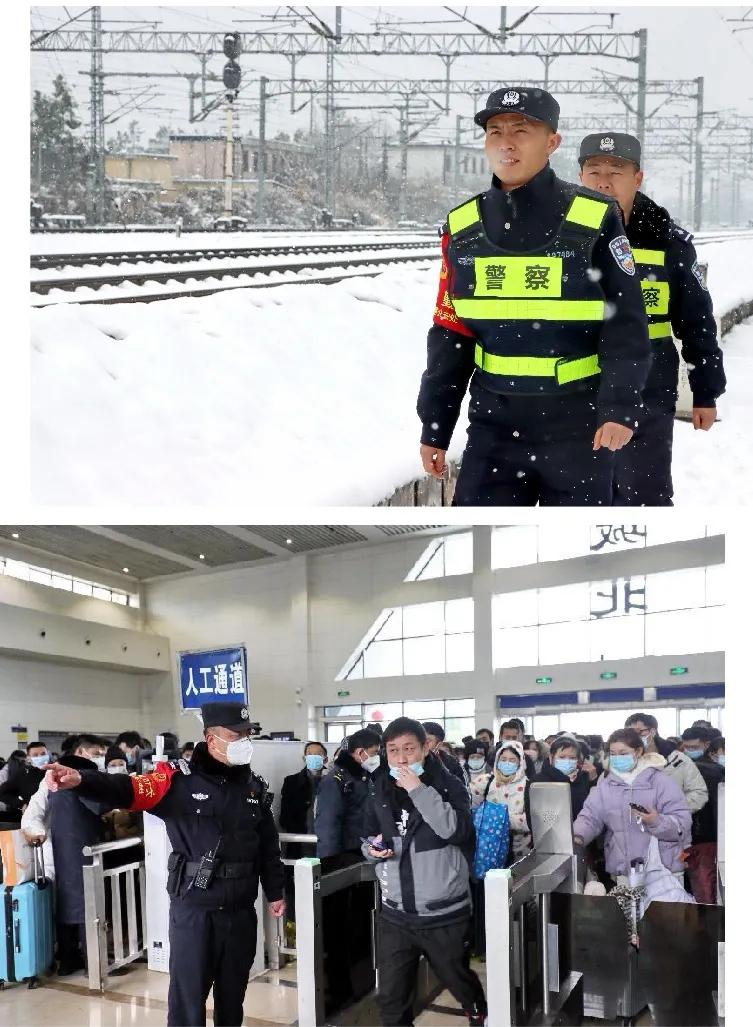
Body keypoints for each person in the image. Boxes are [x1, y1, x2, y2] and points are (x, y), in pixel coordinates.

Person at [418, 86, 650, 506]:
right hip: (493, 426)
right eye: (495, 131)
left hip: (581, 427)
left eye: (521, 130)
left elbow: (626, 323)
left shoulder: (595, 215)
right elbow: (451, 333)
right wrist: (435, 424)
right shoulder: (463, 227)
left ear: (552, 142)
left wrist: (618, 407)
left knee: (575, 552)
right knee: (481, 544)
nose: (506, 142)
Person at [45, 702, 285, 1026]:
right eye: (236, 734)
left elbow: (267, 843)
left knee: (233, 999)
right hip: (195, 912)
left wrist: (275, 891)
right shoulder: (178, 782)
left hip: (241, 912)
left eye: (247, 733)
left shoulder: (252, 787)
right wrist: (83, 781)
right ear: (211, 739)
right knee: (188, 1001)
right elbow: (129, 789)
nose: (245, 740)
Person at [579, 132, 726, 505]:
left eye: (616, 171)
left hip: (649, 389)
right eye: (594, 171)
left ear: (637, 178)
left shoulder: (667, 241)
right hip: (577, 389)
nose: (604, 181)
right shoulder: (560, 236)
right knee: (581, 496)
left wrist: (705, 390)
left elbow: (696, 321)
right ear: (580, 177)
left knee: (644, 495)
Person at [362, 717, 486, 1026]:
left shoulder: (450, 785)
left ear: (426, 748)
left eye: (409, 749)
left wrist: (418, 789)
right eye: (393, 751)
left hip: (443, 912)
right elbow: (367, 835)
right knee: (391, 999)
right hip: (395, 913)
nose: (401, 758)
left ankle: (477, 1010)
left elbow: (455, 831)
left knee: (457, 980)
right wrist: (372, 849)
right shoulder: (379, 788)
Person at [572, 728, 692, 887]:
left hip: (664, 871)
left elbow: (682, 823)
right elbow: (590, 816)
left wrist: (656, 821)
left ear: (638, 751)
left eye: (623, 753)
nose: (617, 758)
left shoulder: (660, 782)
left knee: (664, 912)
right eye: (612, 754)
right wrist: (577, 836)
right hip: (625, 871)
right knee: (629, 912)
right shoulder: (606, 785)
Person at [47, 733, 110, 974]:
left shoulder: (57, 776)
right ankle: (92, 961)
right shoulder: (80, 776)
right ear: (82, 752)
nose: (100, 758)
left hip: (63, 845)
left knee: (67, 901)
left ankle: (68, 958)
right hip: (81, 846)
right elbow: (99, 805)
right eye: (97, 753)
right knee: (87, 901)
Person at [314, 728, 381, 859]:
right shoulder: (336, 780)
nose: (377, 757)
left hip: (367, 850)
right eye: (375, 753)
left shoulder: (367, 775)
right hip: (347, 854)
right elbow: (328, 824)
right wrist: (330, 864)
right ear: (361, 752)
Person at [625, 713, 708, 812]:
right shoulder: (625, 762)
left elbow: (699, 792)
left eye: (639, 733)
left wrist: (673, 810)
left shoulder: (678, 760)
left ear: (652, 731)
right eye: (629, 735)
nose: (634, 738)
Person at [680, 726, 724, 903]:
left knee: (704, 888)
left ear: (706, 745)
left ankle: (707, 927)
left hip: (702, 839)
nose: (689, 751)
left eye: (694, 747)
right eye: (686, 747)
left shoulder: (703, 771)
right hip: (705, 839)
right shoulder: (716, 769)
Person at [471, 739, 531, 861]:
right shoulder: (485, 782)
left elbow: (532, 820)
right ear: (497, 760)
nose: (507, 763)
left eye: (512, 760)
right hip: (489, 850)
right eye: (503, 759)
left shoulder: (529, 787)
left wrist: (502, 819)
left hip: (520, 852)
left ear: (520, 763)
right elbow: (471, 810)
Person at [527, 735, 594, 821]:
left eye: (572, 758)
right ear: (551, 758)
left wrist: (593, 780)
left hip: (580, 831)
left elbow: (592, 809)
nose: (567, 761)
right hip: (547, 832)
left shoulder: (583, 778)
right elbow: (532, 815)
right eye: (562, 757)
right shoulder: (537, 781)